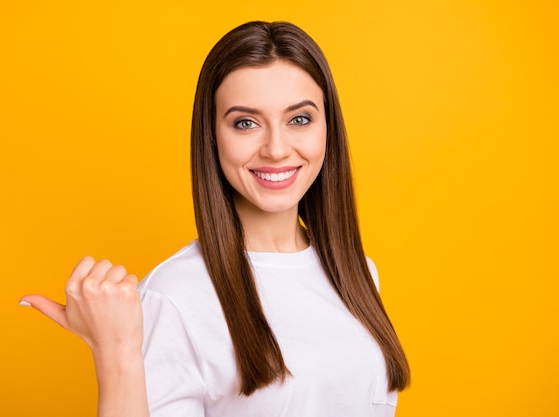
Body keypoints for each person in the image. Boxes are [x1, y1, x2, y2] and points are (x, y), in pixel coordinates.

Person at [20, 20, 410, 417]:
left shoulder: (358, 273)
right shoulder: (174, 297)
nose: (276, 149)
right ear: (212, 135)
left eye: (299, 119)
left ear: (328, 128)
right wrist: (117, 353)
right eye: (245, 123)